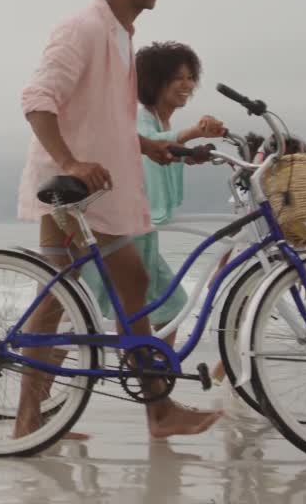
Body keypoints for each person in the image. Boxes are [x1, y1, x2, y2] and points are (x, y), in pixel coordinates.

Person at [13, 0, 223, 440]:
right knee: (69, 298)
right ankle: (152, 412)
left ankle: (141, 412)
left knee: (112, 290)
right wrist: (70, 162)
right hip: (71, 194)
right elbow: (37, 99)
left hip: (96, 196)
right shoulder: (83, 30)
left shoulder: (120, 37)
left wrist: (145, 146)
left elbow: (100, 117)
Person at [79, 42, 227, 351]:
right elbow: (150, 145)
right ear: (154, 81)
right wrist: (192, 133)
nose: (187, 85)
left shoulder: (160, 119)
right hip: (126, 219)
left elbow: (162, 152)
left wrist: (192, 154)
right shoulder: (139, 114)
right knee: (117, 303)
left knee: (170, 303)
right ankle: (147, 375)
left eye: (190, 77)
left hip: (143, 218)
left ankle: (156, 375)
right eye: (177, 78)